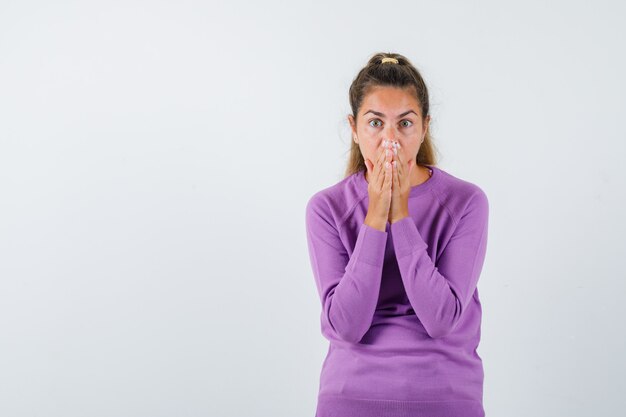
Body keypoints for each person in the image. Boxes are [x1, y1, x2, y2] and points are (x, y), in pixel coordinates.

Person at [305, 52, 490, 417]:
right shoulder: (327, 208)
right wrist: (376, 216)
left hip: (444, 398)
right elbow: (346, 325)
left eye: (404, 124)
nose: (390, 139)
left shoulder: (466, 202)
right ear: (354, 129)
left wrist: (401, 215)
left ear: (423, 128)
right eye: (375, 123)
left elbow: (442, 319)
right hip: (351, 399)